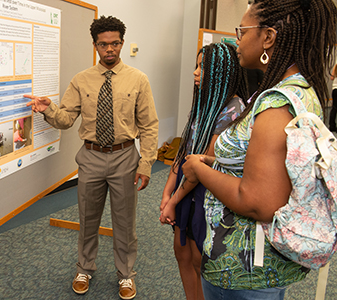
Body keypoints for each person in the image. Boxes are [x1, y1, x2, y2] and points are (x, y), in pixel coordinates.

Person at [181, 0, 336, 299]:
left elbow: (257, 202)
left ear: (268, 37)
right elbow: (267, 167)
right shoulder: (301, 89)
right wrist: (215, 161)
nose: (236, 39)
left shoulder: (276, 104)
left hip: (244, 270)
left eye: (242, 30)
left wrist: (199, 168)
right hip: (257, 265)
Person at [25, 16, 158, 300]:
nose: (109, 49)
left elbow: (149, 125)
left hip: (125, 157)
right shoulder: (81, 80)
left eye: (115, 43)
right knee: (88, 219)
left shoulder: (138, 79)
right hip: (91, 157)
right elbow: (64, 120)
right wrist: (48, 109)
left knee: (125, 222)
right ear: (95, 45)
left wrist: (146, 163)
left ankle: (125, 275)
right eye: (103, 44)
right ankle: (85, 267)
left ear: (121, 43)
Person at [159, 42, 249, 300]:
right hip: (184, 190)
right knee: (182, 251)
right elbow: (184, 150)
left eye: (202, 67)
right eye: (196, 66)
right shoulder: (204, 105)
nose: (195, 72)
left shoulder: (233, 110)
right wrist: (167, 193)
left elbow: (199, 168)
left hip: (208, 197)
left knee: (200, 259)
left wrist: (172, 202)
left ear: (222, 71)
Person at [330, 63, 337, 132]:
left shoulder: (335, 66)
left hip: (335, 89)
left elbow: (331, 78)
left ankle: (332, 125)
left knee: (334, 108)